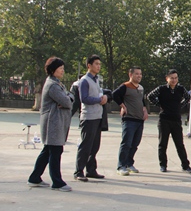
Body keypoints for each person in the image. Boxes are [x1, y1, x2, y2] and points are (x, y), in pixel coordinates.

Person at [27, 57, 74, 192]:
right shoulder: (53, 85)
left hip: (56, 121)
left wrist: (68, 98)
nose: (62, 71)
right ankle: (57, 182)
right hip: (53, 122)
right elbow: (67, 102)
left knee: (48, 151)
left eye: (63, 68)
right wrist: (68, 99)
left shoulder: (57, 83)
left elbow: (69, 97)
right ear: (53, 69)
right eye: (60, 68)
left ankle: (34, 178)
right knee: (55, 151)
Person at [147, 69, 191, 174]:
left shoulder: (180, 89)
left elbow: (188, 97)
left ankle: (185, 165)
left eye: (176, 78)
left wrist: (179, 106)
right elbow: (150, 96)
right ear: (167, 79)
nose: (174, 80)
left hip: (176, 120)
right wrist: (160, 105)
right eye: (172, 78)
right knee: (162, 144)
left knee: (180, 144)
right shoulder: (162, 89)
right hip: (164, 119)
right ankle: (163, 165)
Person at [74, 54, 107, 182]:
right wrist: (99, 100)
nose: (99, 66)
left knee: (94, 145)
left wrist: (104, 97)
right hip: (88, 117)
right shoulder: (84, 81)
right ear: (89, 65)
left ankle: (91, 170)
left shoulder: (96, 79)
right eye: (96, 64)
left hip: (97, 116)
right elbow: (84, 98)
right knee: (86, 145)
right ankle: (79, 171)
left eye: (99, 64)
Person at [112, 66, 148, 176]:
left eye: (140, 74)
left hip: (139, 119)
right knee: (126, 143)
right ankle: (121, 166)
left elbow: (142, 100)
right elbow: (114, 95)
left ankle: (129, 163)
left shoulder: (140, 88)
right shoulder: (125, 86)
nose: (139, 76)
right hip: (129, 119)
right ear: (130, 75)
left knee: (135, 143)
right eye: (137, 74)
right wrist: (122, 105)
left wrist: (144, 109)